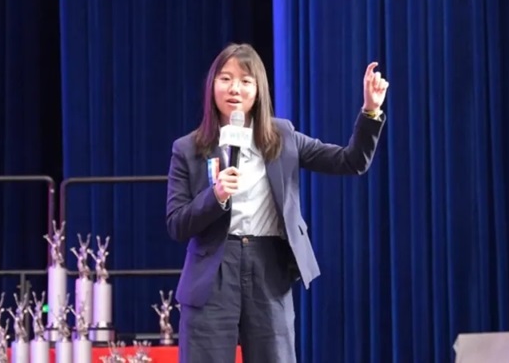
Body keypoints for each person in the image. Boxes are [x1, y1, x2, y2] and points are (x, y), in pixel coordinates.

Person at [165, 43, 388, 363]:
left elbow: (351, 161)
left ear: (259, 90)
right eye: (225, 79)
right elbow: (176, 223)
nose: (234, 88)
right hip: (213, 272)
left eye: (245, 80)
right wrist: (215, 196)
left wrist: (370, 111)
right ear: (212, 85)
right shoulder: (188, 148)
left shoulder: (282, 137)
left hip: (268, 265)